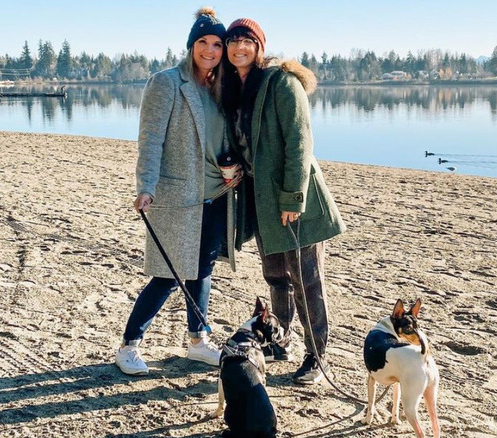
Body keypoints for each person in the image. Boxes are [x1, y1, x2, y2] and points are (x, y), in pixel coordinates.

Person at [115, 8, 241, 376]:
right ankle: (129, 346)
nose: (210, 50)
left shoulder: (221, 87)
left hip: (217, 195)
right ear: (191, 46)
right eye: (202, 42)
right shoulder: (166, 82)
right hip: (178, 196)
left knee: (202, 271)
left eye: (217, 44)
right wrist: (145, 187)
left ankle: (198, 341)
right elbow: (151, 139)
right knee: (169, 274)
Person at [221, 18, 346, 385]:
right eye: (232, 41)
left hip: (293, 201)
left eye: (246, 41)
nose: (238, 48)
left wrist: (294, 197)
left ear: (259, 46)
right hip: (260, 201)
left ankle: (317, 358)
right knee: (276, 276)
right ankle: (281, 340)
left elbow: (300, 143)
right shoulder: (235, 88)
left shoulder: (282, 82)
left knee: (308, 280)